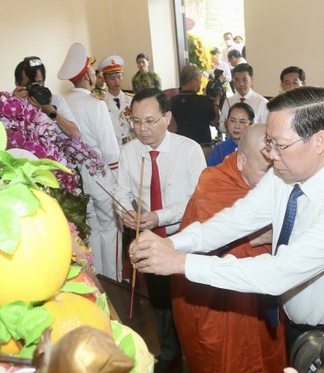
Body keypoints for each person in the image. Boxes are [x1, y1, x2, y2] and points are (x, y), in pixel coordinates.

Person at [130, 87, 324, 355]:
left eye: (279, 145)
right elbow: (233, 221)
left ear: (318, 141)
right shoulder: (285, 172)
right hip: (290, 319)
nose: (271, 155)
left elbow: (277, 273)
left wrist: (181, 263)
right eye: (269, 143)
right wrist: (172, 243)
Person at [173, 123, 287, 373]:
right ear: (242, 160)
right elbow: (205, 250)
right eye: (266, 169)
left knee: (267, 353)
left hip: (260, 294)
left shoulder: (279, 181)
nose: (273, 178)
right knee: (229, 361)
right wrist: (257, 239)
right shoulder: (213, 184)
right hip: (217, 301)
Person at [113, 88, 206, 371]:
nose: (142, 129)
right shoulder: (130, 152)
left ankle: (196, 353)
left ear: (167, 117)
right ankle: (168, 351)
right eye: (136, 121)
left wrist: (159, 216)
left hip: (183, 238)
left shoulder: (188, 150)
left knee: (189, 301)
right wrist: (126, 212)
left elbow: (196, 198)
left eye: (150, 121)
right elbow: (120, 191)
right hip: (149, 238)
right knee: (161, 301)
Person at [57, 43, 122, 281]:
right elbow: (110, 150)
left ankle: (100, 278)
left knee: (93, 228)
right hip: (102, 176)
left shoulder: (64, 102)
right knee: (112, 229)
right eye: (92, 70)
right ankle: (115, 278)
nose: (95, 74)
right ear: (86, 75)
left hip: (79, 177)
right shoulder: (95, 104)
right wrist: (118, 179)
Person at [12, 56, 80, 138]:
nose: (35, 88)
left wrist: (49, 110)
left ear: (43, 81)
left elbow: (76, 135)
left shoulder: (56, 101)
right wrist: (14, 105)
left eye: (38, 83)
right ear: (17, 85)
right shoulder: (12, 105)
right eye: (29, 85)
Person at [170, 64, 218, 154]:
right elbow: (214, 123)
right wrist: (216, 102)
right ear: (194, 81)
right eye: (199, 80)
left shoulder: (172, 101)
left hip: (181, 147)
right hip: (202, 147)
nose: (200, 83)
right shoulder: (204, 101)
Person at [219, 63, 268, 134]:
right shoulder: (228, 101)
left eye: (245, 80)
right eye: (237, 80)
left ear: (252, 80)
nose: (241, 83)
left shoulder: (262, 103)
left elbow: (266, 130)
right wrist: (225, 125)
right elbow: (221, 128)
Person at [99, 55, 134, 146]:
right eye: (112, 78)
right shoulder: (100, 102)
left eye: (119, 77)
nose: (116, 81)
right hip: (113, 146)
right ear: (104, 80)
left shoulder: (131, 100)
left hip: (132, 144)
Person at [208, 102, 254, 167]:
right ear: (226, 122)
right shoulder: (219, 150)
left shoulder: (257, 149)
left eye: (242, 122)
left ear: (250, 124)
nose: (237, 126)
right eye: (233, 121)